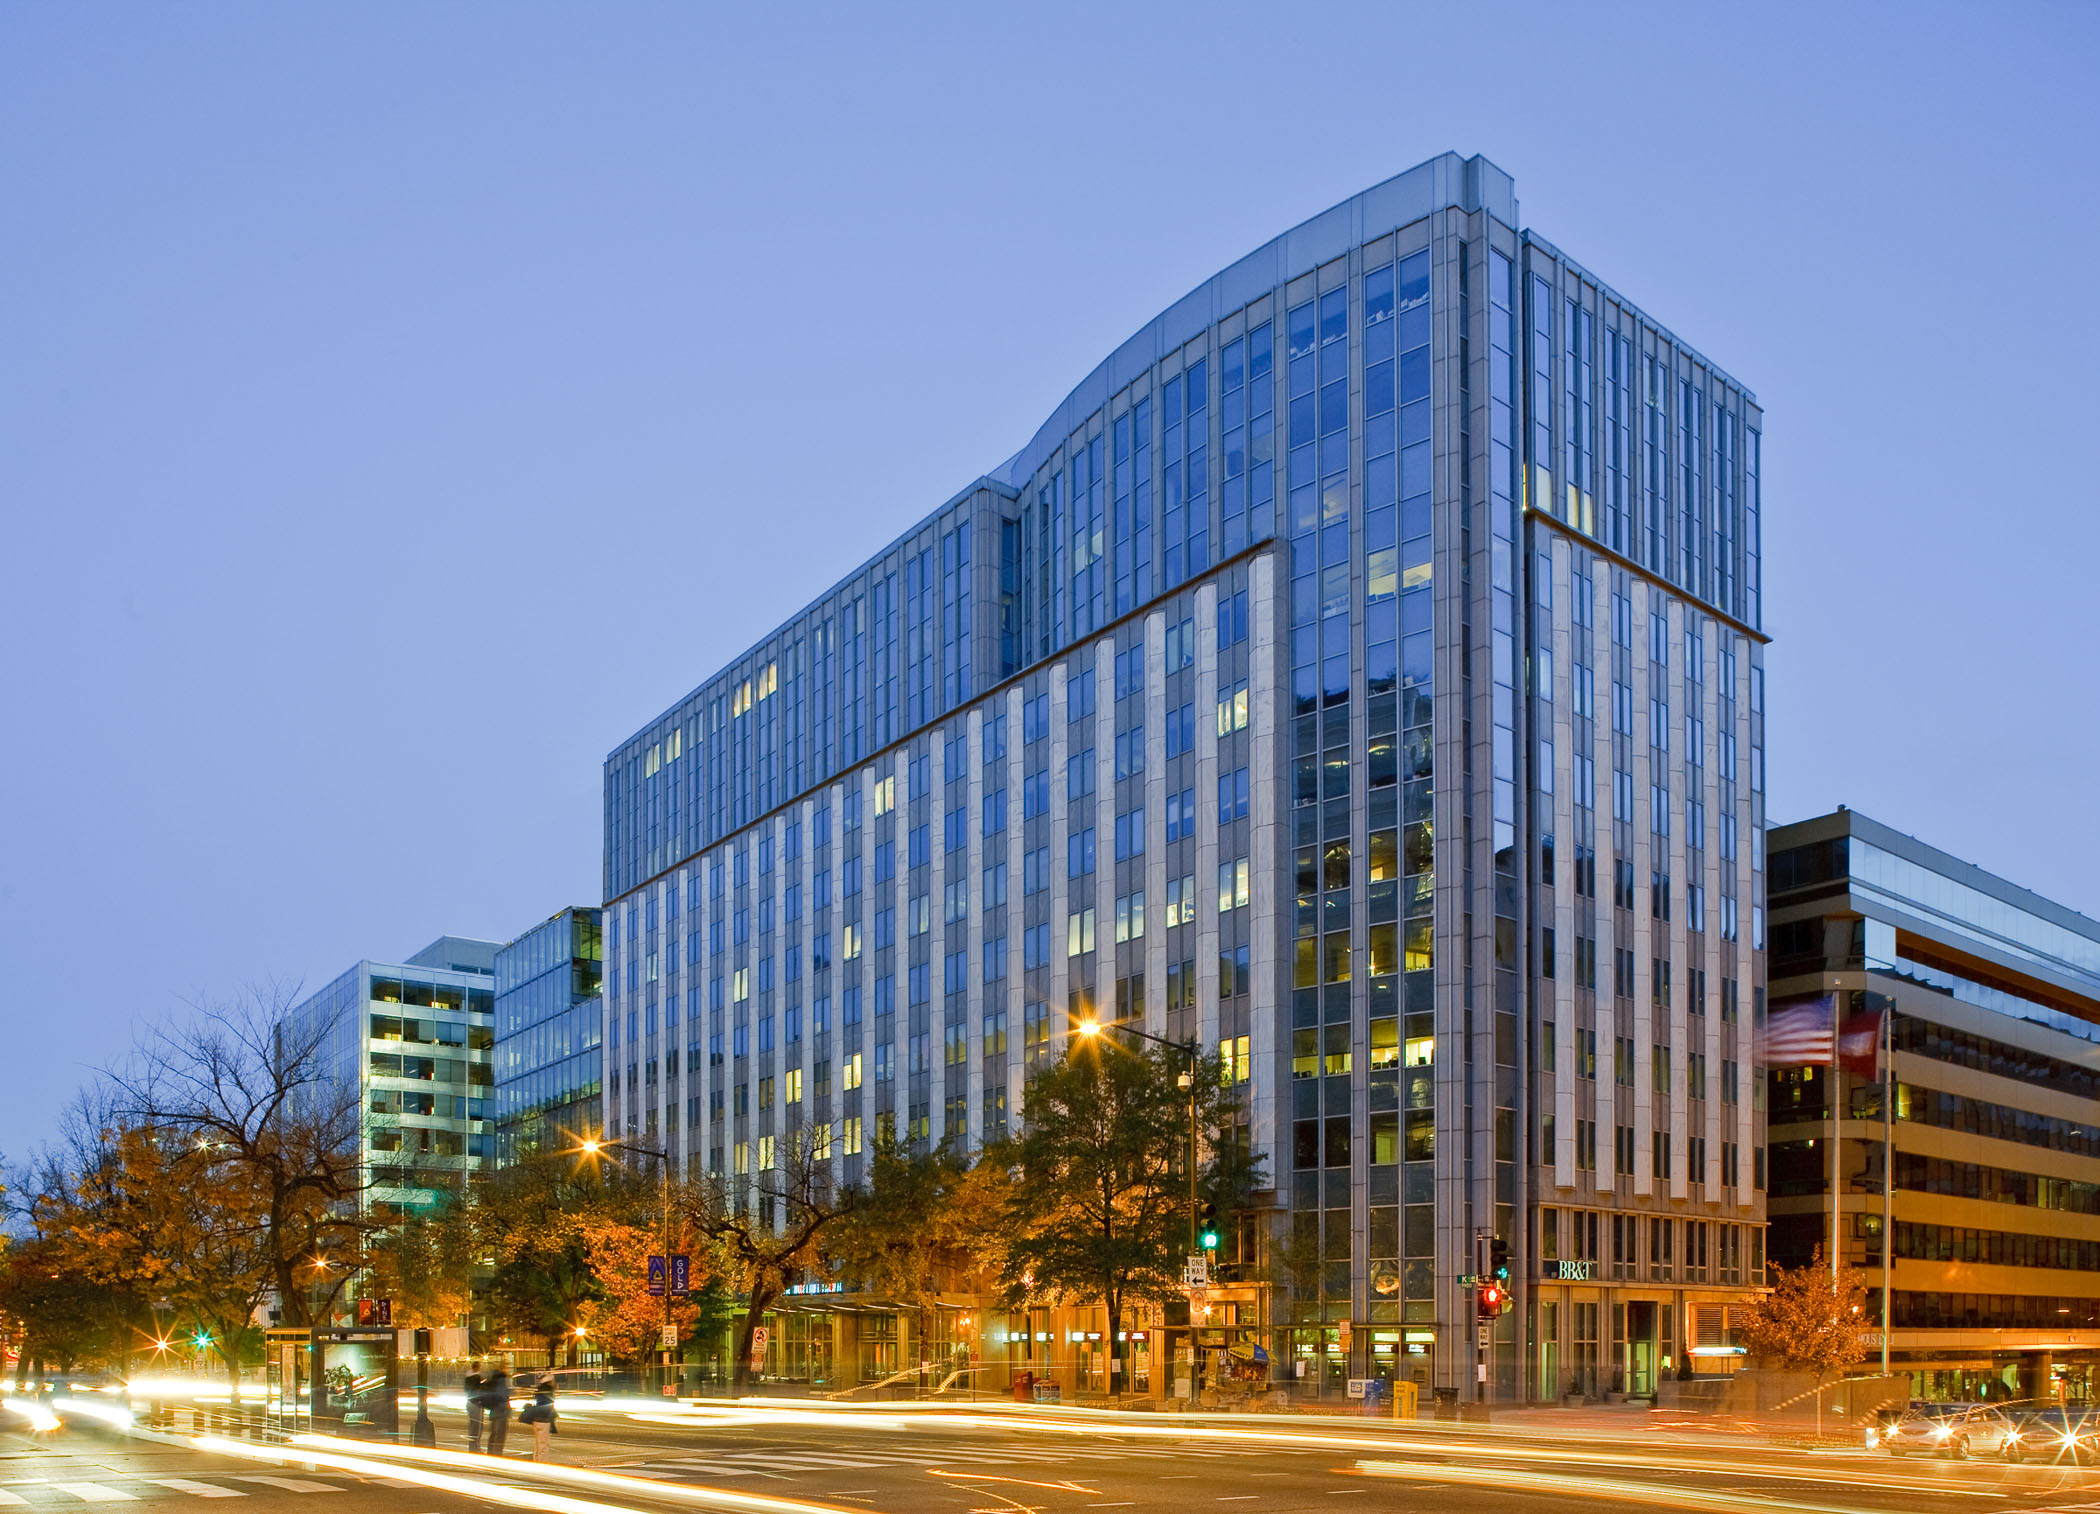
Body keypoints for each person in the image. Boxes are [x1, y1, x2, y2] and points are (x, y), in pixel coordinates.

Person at [521, 1376, 558, 1462]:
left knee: (538, 1444)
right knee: (543, 1445)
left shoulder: (539, 1390)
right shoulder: (548, 1391)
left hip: (536, 1420)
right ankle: (542, 1462)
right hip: (544, 1421)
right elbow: (548, 1406)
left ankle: (537, 1460)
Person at [481, 1366, 512, 1455]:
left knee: (494, 1434)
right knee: (500, 1436)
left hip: (494, 1411)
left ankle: (491, 1453)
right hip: (501, 1411)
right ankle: (497, 1455)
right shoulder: (501, 1380)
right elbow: (502, 1395)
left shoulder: (493, 1380)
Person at [463, 1364, 486, 1453]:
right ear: (477, 1368)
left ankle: (472, 1447)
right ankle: (476, 1447)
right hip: (477, 1404)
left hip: (470, 1403)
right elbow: (481, 1391)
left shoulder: (467, 1378)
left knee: (472, 1426)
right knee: (477, 1427)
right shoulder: (477, 1378)